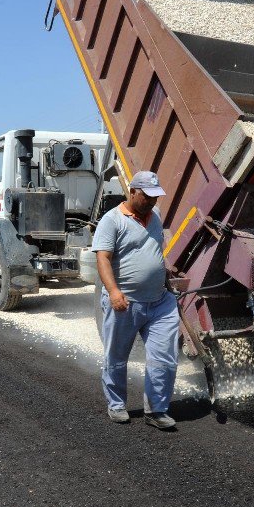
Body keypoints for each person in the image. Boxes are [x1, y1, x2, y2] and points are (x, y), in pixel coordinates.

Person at [91, 170, 180, 430]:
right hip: (125, 302)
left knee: (164, 357)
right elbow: (103, 258)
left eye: (155, 197)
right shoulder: (112, 220)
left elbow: (155, 251)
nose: (151, 202)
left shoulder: (156, 216)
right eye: (146, 196)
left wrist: (164, 276)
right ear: (132, 192)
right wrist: (114, 292)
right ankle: (116, 405)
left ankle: (157, 410)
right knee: (116, 357)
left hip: (160, 302)